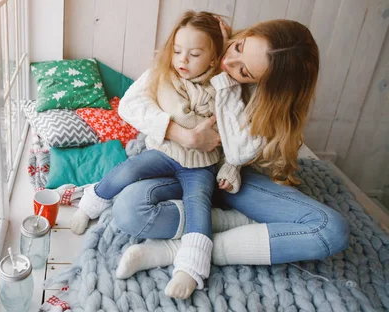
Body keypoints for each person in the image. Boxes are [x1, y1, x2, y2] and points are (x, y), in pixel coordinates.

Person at [112, 18, 350, 287]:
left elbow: (237, 153)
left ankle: (181, 250)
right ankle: (231, 223)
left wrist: (225, 82)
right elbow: (130, 105)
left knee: (331, 231)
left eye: (244, 72)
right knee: (129, 209)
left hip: (234, 178)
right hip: (184, 164)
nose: (228, 63)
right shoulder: (203, 47)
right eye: (239, 47)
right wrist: (186, 136)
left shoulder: (265, 99)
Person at [69, 11, 257, 299]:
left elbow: (236, 134)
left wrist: (231, 167)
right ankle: (90, 205)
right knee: (127, 170)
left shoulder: (226, 87)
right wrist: (185, 135)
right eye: (178, 51)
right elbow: (131, 106)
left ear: (212, 57)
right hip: (165, 151)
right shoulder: (165, 75)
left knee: (199, 204)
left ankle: (190, 268)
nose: (182, 60)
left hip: (201, 165)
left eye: (194, 54)